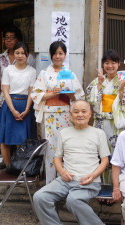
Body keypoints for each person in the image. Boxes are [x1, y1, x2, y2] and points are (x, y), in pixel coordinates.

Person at [33, 100, 110, 225]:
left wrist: (93, 175)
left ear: (90, 114)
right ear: (71, 114)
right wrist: (62, 172)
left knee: (73, 200)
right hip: (65, 180)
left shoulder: (98, 133)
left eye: (84, 111)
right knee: (40, 197)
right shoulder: (64, 133)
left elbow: (105, 161)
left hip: (88, 181)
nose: (80, 114)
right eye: (76, 111)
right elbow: (57, 158)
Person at [31, 41, 85, 184]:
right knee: (50, 149)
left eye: (60, 53)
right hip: (49, 116)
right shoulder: (44, 74)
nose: (57, 56)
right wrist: (51, 94)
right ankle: (50, 183)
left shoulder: (70, 74)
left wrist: (71, 95)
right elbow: (35, 94)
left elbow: (80, 96)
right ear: (50, 55)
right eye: (55, 53)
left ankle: (66, 181)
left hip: (66, 115)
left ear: (65, 55)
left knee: (66, 148)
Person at [0, 42, 36, 167]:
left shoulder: (32, 71)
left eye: (23, 53)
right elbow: (5, 91)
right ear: (14, 54)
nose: (20, 55)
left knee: (23, 139)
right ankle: (8, 167)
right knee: (5, 139)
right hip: (9, 106)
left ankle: (20, 168)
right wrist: (12, 110)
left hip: (25, 106)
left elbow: (31, 92)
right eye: (17, 52)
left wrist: (27, 109)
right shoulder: (8, 70)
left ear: (27, 55)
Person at [86, 49, 125, 153]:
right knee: (99, 151)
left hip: (115, 122)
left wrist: (121, 90)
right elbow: (90, 100)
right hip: (99, 121)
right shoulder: (97, 80)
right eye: (107, 63)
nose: (110, 66)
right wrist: (99, 85)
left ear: (118, 64)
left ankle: (115, 169)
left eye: (113, 63)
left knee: (116, 151)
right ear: (103, 64)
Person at [0, 25, 35, 119]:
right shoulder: (0, 58)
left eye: (11, 38)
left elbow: (32, 83)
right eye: (6, 38)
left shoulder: (29, 58)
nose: (8, 40)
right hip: (3, 100)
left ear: (18, 40)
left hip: (23, 101)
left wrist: (27, 106)